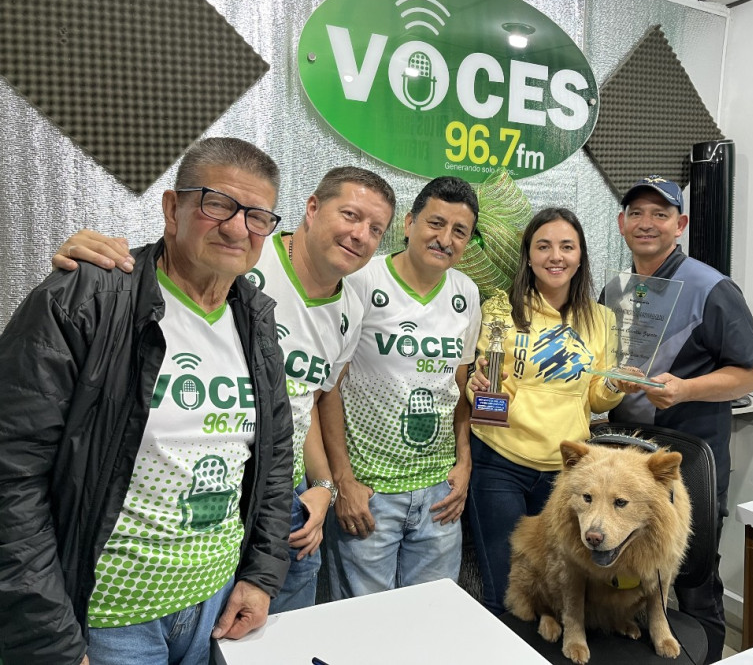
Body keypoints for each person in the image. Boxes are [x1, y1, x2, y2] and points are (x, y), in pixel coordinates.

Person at [0, 137, 294, 665]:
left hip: (217, 609)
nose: (236, 227)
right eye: (216, 203)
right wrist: (51, 640)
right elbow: (11, 477)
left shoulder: (254, 318)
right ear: (171, 208)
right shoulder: (87, 299)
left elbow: (273, 461)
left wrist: (259, 577)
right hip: (108, 621)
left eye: (257, 216)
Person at [51, 166, 397, 614]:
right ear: (311, 208)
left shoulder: (351, 306)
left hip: (282, 506)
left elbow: (305, 401)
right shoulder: (244, 257)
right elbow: (156, 275)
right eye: (350, 215)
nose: (360, 235)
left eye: (375, 229)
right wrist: (91, 266)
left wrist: (324, 485)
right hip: (189, 515)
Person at [606, 174, 753, 663]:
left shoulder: (712, 287)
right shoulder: (616, 288)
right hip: (626, 457)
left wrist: (687, 390)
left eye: (660, 214)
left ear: (681, 224)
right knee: (627, 571)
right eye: (637, 213)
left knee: (694, 577)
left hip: (690, 461)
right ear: (621, 223)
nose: (647, 223)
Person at [323, 176, 481, 598]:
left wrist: (463, 463)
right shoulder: (362, 281)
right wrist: (343, 480)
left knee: (432, 621)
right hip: (370, 493)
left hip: (439, 495)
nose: (445, 239)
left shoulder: (466, 292)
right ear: (409, 223)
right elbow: (329, 387)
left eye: (459, 231)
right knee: (364, 629)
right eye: (436, 223)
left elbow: (460, 386)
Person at [465, 207, 626, 615]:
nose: (556, 256)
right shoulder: (502, 309)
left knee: (558, 583)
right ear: (529, 255)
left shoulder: (601, 319)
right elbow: (486, 381)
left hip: (567, 471)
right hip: (500, 462)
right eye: (544, 246)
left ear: (580, 256)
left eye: (566, 247)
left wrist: (615, 384)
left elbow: (595, 397)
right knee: (506, 586)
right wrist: (476, 386)